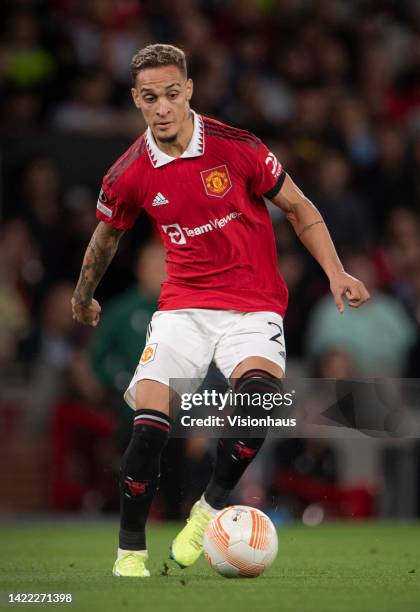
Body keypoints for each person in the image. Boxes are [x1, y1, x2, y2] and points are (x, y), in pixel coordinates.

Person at [71, 44, 370, 578]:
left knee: (258, 400)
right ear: (136, 100)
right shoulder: (129, 171)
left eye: (170, 94)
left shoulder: (237, 148)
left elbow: (299, 208)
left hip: (253, 306)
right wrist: (82, 292)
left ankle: (207, 509)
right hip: (183, 308)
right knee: (148, 427)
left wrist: (335, 270)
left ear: (188, 90)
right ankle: (130, 554)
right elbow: (106, 236)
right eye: (149, 98)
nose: (161, 107)